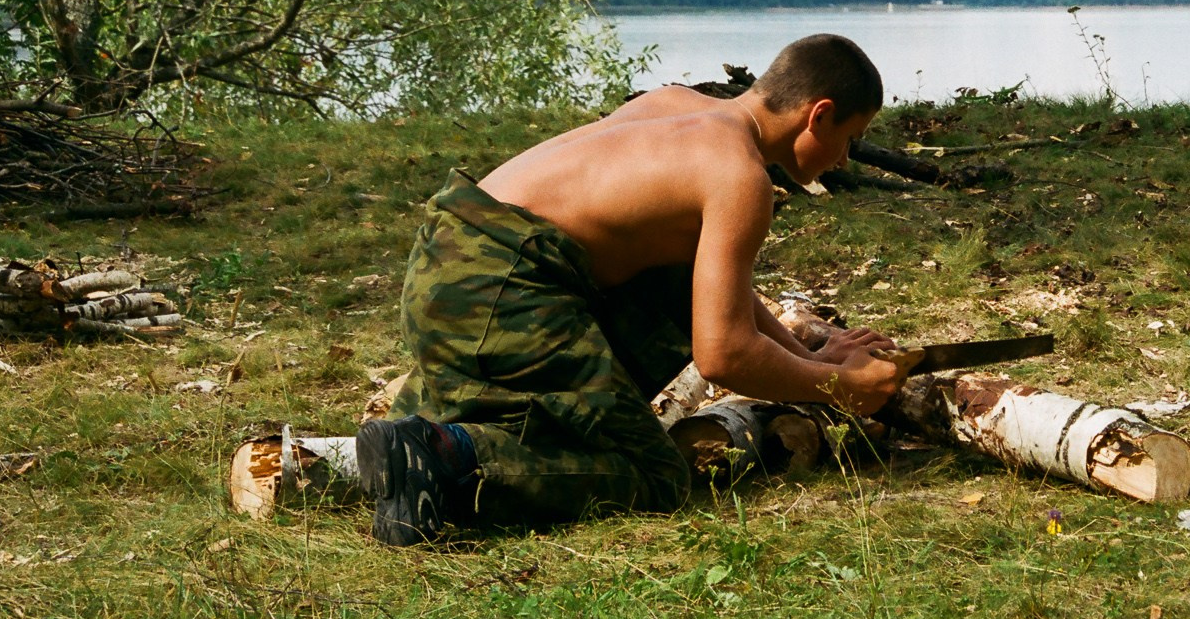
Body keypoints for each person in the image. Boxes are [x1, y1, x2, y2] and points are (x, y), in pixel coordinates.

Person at [356, 34, 906, 545]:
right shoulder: (739, 176)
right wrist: (840, 387)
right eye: (850, 139)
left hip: (445, 260)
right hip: (502, 286)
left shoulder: (673, 104)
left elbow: (708, 290)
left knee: (670, 283)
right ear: (819, 114)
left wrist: (809, 356)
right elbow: (724, 355)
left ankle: (414, 438)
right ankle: (448, 458)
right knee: (655, 475)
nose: (844, 159)